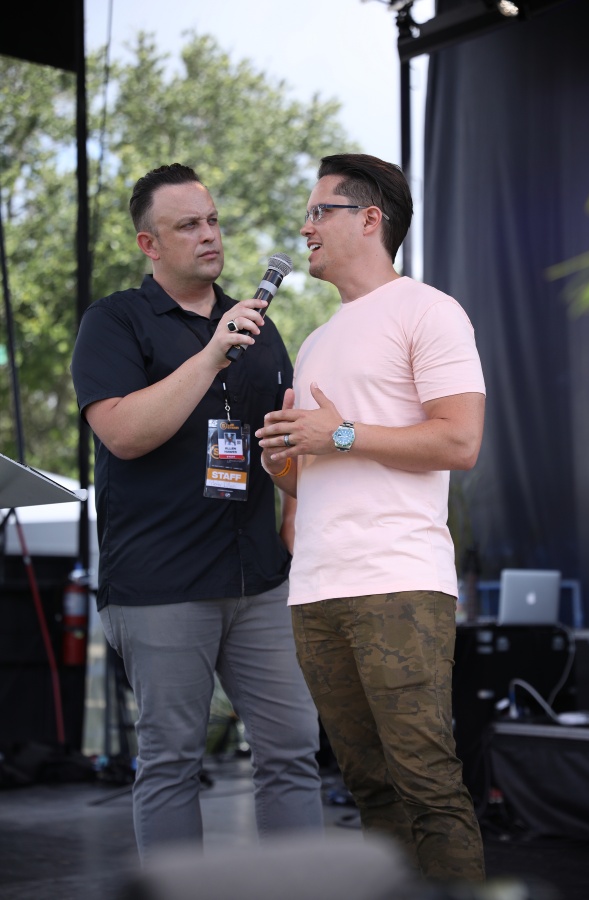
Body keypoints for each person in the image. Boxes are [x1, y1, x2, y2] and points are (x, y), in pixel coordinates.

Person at [70, 163, 323, 862]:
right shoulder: (115, 322)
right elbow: (124, 433)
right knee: (173, 760)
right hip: (163, 584)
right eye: (188, 225)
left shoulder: (258, 326)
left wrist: (294, 508)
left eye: (212, 220)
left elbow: (280, 439)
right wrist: (211, 355)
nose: (209, 235)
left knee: (293, 749)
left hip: (259, 578)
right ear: (149, 244)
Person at [256, 153, 486, 883]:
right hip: (317, 588)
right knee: (368, 788)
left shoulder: (429, 311)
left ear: (368, 219)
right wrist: (282, 462)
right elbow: (313, 475)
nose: (305, 227)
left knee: (427, 784)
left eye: (318, 211)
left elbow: (460, 442)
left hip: (398, 582)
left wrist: (342, 433)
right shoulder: (317, 340)